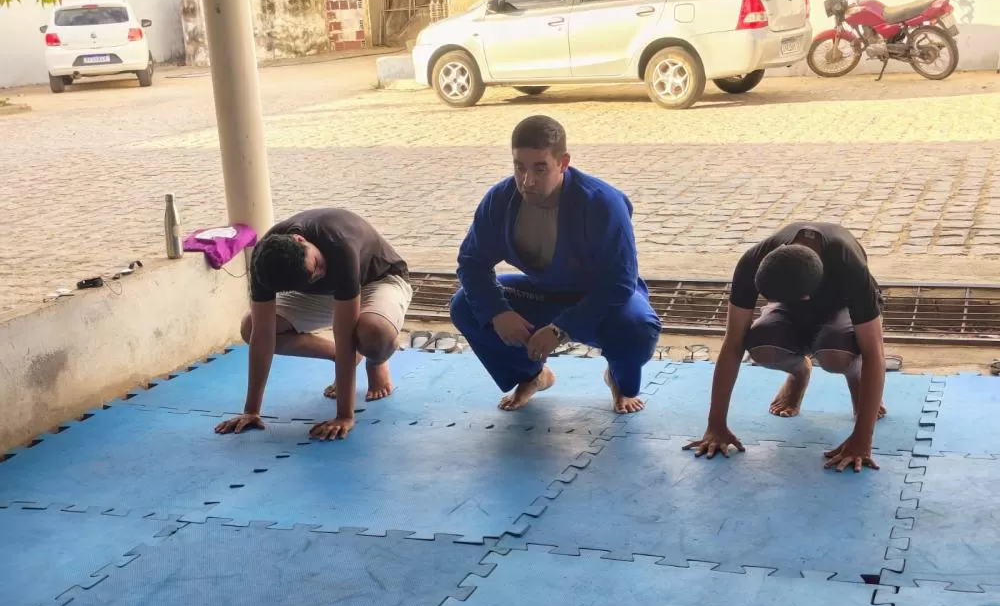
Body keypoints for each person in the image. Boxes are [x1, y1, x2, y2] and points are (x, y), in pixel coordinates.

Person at [449, 115, 661, 414]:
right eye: (519, 167)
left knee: (638, 328)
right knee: (466, 305)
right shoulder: (500, 200)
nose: (527, 181)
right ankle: (532, 375)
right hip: (544, 294)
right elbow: (472, 263)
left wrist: (561, 329)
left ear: (563, 163)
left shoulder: (602, 203)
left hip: (603, 300)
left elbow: (619, 283)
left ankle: (618, 377)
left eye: (540, 168)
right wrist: (498, 312)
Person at [683, 221, 887, 473]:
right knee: (762, 348)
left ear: (806, 298)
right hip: (792, 302)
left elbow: (874, 352)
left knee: (836, 356)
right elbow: (733, 341)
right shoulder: (753, 261)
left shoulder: (849, 266)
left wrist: (862, 440)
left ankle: (857, 380)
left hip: (843, 308)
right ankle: (799, 373)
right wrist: (715, 425)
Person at [214, 208, 412, 441]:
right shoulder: (265, 262)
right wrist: (251, 411)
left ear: (300, 239)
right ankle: (341, 357)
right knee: (250, 327)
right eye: (312, 273)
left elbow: (345, 336)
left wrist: (344, 416)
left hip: (377, 280)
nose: (320, 272)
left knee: (373, 333)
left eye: (316, 263)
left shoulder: (339, 246)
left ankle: (376, 362)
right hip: (319, 293)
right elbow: (262, 333)